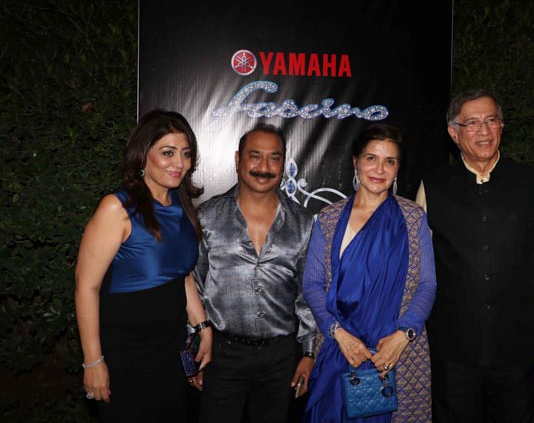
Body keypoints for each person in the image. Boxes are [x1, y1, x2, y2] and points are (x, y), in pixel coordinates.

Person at [415, 89, 534, 423]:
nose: (484, 131)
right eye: (472, 123)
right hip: (452, 352)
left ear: (502, 126)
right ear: (454, 133)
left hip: (518, 351)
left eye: (491, 120)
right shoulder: (432, 188)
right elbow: (417, 270)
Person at [74, 109, 213, 423]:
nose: (179, 163)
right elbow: (86, 286)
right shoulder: (117, 207)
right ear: (142, 155)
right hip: (126, 355)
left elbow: (183, 276)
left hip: (170, 352)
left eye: (186, 153)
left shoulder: (181, 205)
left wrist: (203, 327)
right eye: (167, 153)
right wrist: (93, 361)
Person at [302, 123, 437, 423]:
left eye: (390, 161)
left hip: (399, 356)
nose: (379, 169)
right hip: (340, 350)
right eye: (371, 158)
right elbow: (312, 284)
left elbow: (427, 285)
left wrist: (404, 334)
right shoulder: (329, 219)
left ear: (398, 168)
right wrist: (338, 334)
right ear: (356, 161)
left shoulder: (413, 218)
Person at [191, 122, 317, 423]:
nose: (264, 167)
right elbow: (193, 286)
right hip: (221, 353)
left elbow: (308, 292)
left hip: (281, 358)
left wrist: (309, 353)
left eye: (274, 158)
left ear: (283, 164)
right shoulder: (207, 217)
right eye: (255, 156)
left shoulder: (303, 222)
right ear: (238, 160)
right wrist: (194, 352)